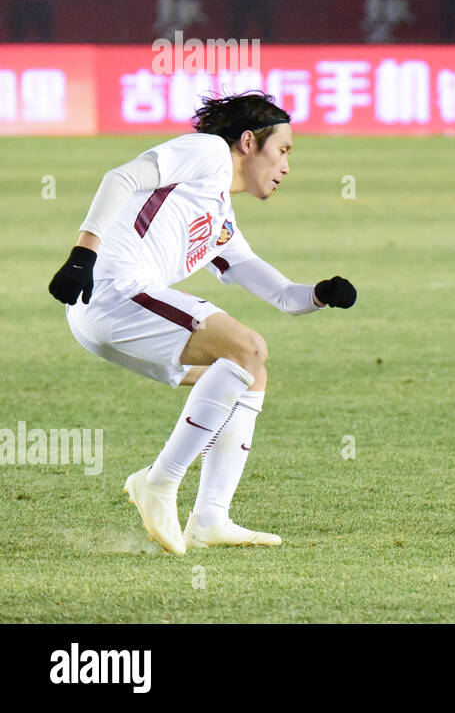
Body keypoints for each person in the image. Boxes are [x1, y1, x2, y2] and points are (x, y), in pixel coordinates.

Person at [47, 92, 357, 554]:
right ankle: (158, 481)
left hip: (119, 310)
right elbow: (122, 177)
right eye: (284, 151)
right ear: (248, 142)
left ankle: (210, 518)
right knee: (247, 347)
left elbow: (279, 292)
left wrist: (319, 294)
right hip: (111, 289)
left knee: (251, 373)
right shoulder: (208, 152)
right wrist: (83, 253)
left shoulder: (219, 219)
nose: (287, 166)